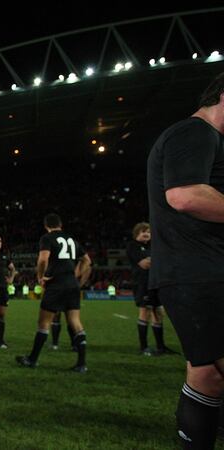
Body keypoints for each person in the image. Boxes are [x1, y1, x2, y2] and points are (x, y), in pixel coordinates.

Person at [146, 72, 224, 448]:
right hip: (199, 274)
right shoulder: (194, 133)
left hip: (200, 271)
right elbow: (185, 195)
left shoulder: (208, 139)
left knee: (207, 374)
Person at [16, 213, 91, 372]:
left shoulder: (47, 238)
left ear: (46, 226)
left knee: (44, 323)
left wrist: (40, 277)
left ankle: (32, 359)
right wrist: (75, 274)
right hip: (72, 285)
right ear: (61, 224)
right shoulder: (71, 239)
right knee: (75, 322)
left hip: (56, 284)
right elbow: (87, 261)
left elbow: (43, 259)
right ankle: (82, 364)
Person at [126, 222, 169, 356]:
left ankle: (161, 347)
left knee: (159, 313)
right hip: (143, 284)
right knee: (146, 311)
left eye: (149, 232)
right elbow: (144, 264)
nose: (147, 234)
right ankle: (143, 347)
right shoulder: (133, 246)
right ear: (136, 233)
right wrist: (158, 261)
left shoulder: (152, 246)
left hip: (155, 283)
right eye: (144, 231)